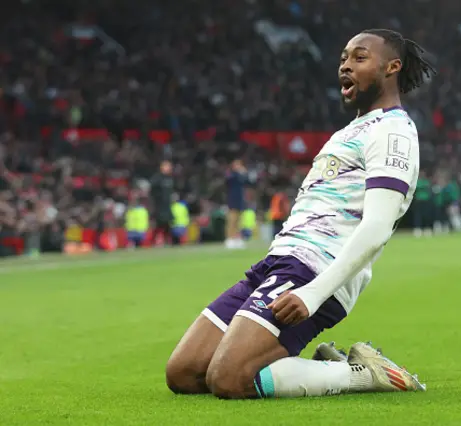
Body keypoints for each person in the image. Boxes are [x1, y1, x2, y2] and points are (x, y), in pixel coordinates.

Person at [166, 29, 436, 399]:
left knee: (230, 379)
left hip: (315, 270)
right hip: (278, 262)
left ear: (392, 68)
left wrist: (313, 294)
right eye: (343, 58)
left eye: (359, 58)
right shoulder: (352, 130)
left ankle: (361, 374)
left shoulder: (394, 132)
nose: (345, 65)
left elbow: (376, 227)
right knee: (184, 373)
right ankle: (320, 366)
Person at [150, 161, 174, 246]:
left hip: (167, 206)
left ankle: (168, 241)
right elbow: (152, 192)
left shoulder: (170, 179)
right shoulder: (157, 179)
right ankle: (153, 241)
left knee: (167, 225)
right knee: (159, 225)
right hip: (159, 206)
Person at [225, 159, 247, 249]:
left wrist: (244, 173)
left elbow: (248, 181)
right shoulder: (231, 175)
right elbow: (228, 180)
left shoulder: (241, 175)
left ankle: (237, 238)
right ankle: (230, 238)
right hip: (232, 200)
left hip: (240, 200)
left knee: (239, 220)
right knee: (232, 220)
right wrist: (239, 173)